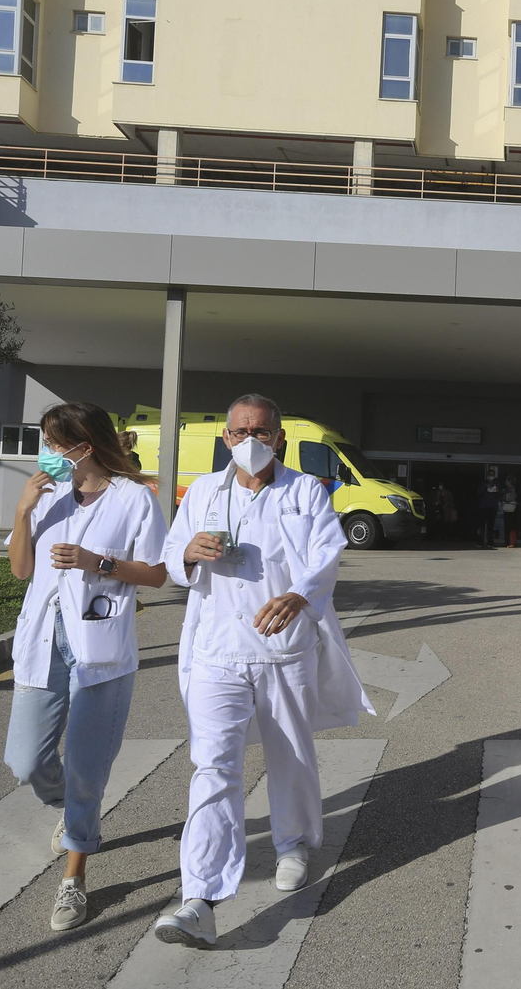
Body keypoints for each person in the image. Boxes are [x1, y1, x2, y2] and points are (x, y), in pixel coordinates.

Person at [154, 394, 372, 949]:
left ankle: (293, 842)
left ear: (278, 437)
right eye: (239, 431)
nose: (249, 439)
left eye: (261, 431)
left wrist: (299, 595)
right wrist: (190, 554)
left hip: (283, 647)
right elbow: (171, 552)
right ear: (225, 437)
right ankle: (199, 898)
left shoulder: (304, 491)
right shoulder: (203, 491)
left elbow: (327, 553)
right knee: (212, 765)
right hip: (217, 651)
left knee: (290, 750)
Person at [3, 402, 168, 932]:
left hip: (99, 646)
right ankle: (73, 807)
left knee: (86, 767)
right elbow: (21, 569)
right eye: (47, 443)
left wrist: (97, 562)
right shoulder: (47, 496)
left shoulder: (134, 498)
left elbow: (158, 573)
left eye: (56, 443)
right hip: (43, 639)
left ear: (85, 447)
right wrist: (24, 510)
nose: (49, 453)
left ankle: (73, 879)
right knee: (25, 761)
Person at [477, 467, 500, 548]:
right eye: (490, 475)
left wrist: (497, 490)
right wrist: (486, 487)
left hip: (492, 507)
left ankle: (490, 542)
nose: (491, 476)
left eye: (492, 475)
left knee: (491, 525)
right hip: (484, 506)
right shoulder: (484, 483)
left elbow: (499, 495)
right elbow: (479, 492)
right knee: (482, 525)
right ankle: (480, 542)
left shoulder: (497, 483)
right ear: (487, 475)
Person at [502, 474, 521, 548]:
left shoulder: (515, 489)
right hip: (507, 509)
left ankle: (512, 542)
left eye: (507, 480)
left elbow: (518, 497)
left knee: (513, 526)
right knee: (507, 526)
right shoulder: (506, 489)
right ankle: (507, 542)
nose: (506, 482)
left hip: (513, 509)